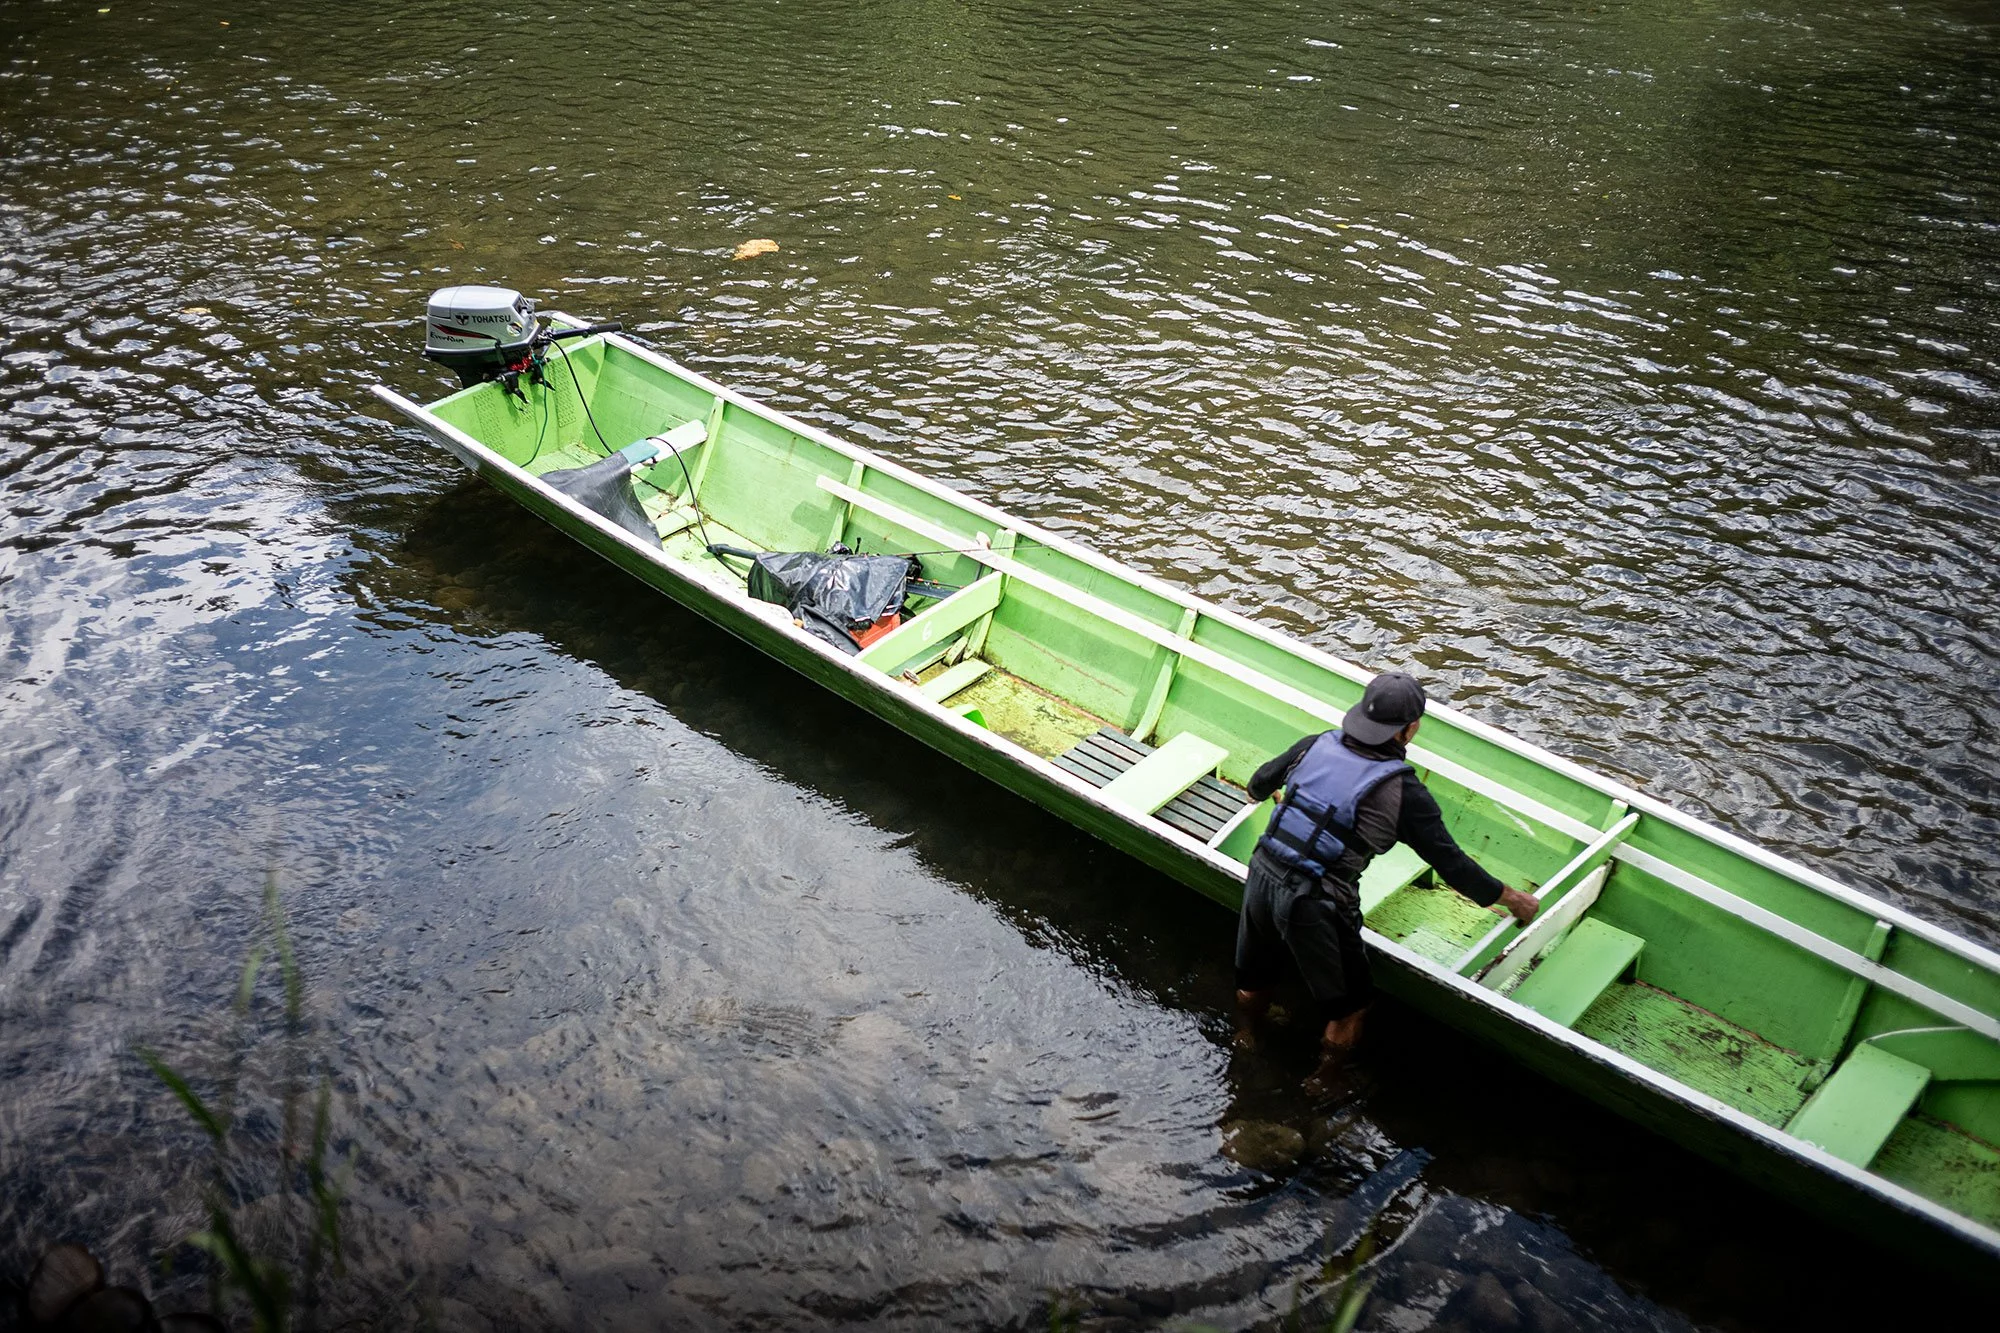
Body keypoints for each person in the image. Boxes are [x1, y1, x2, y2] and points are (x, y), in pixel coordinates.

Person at [1234, 670, 1539, 1084]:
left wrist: (1275, 797)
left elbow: (1258, 783)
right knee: (1351, 1005)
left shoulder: (1315, 744)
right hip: (1313, 900)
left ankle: (1247, 1035)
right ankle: (1324, 1080)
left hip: (1261, 870)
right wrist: (1514, 900)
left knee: (1255, 974)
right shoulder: (1405, 794)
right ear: (1410, 730)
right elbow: (1453, 866)